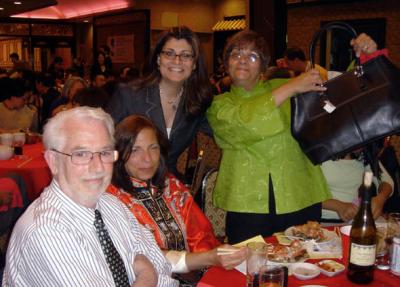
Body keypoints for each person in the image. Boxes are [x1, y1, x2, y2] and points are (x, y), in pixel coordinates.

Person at [206, 30, 376, 244]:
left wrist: (366, 58)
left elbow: (345, 94)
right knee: (250, 268)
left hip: (300, 197)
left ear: (263, 66)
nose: (242, 60)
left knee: (303, 266)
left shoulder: (283, 87)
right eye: (236, 53)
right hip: (247, 204)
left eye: (252, 56)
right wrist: (293, 86)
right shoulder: (219, 105)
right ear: (226, 62)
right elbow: (243, 123)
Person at [3, 106, 178, 286]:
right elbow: (154, 270)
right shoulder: (45, 231)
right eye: (81, 154)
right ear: (53, 161)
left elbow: (161, 265)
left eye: (104, 153)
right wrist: (146, 272)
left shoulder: (110, 203)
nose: (98, 167)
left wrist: (149, 271)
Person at [108, 115, 247, 276]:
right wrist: (207, 259)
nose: (147, 159)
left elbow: (200, 235)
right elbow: (139, 257)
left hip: (194, 275)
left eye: (153, 148)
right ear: (118, 154)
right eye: (134, 150)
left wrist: (218, 259)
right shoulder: (112, 199)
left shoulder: (170, 186)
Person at [107, 26, 213, 179]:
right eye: (169, 53)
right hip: (125, 184)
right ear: (158, 59)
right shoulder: (129, 96)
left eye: (186, 55)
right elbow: (103, 143)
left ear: (194, 63)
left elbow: (227, 134)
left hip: (167, 185)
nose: (177, 61)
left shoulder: (197, 102)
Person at [321, 151, 393, 223]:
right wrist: (339, 206)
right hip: (320, 220)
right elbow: (310, 194)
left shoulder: (363, 156)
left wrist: (380, 199)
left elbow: (386, 181)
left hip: (353, 220)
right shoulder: (320, 155)